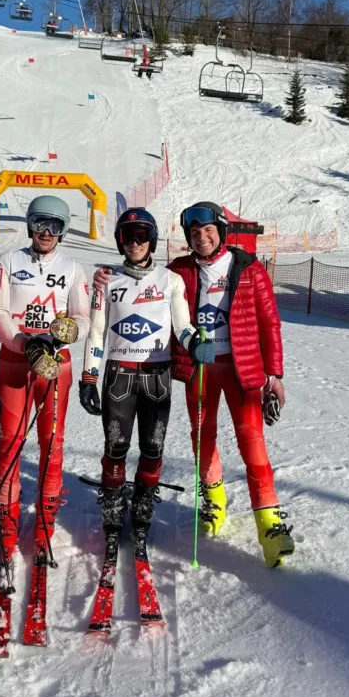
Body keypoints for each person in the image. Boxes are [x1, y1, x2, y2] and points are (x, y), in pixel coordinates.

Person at [169, 201, 293, 567]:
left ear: (221, 231)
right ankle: (215, 502)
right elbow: (147, 294)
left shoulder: (249, 268)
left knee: (251, 442)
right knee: (202, 437)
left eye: (208, 230)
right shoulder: (178, 271)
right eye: (194, 233)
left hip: (243, 370)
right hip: (200, 369)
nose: (202, 238)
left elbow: (269, 322)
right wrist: (106, 278)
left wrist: (275, 376)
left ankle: (270, 524)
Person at [79, 209, 212, 536]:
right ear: (120, 241)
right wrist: (88, 378)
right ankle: (112, 504)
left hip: (157, 377)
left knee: (153, 448)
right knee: (116, 447)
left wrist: (195, 344)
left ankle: (143, 502)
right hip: (118, 376)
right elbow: (96, 332)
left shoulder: (170, 280)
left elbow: (182, 326)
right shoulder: (107, 280)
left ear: (152, 239)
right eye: (128, 236)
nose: (135, 243)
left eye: (142, 236)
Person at [0, 195, 91, 564]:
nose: (45, 232)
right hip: (15, 360)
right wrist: (24, 343)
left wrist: (70, 330)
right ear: (29, 225)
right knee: (11, 443)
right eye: (39, 224)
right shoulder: (7, 261)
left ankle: (45, 522)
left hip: (55, 363)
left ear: (63, 230)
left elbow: (83, 316)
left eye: (54, 226)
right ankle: (8, 524)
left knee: (53, 442)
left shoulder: (72, 267)